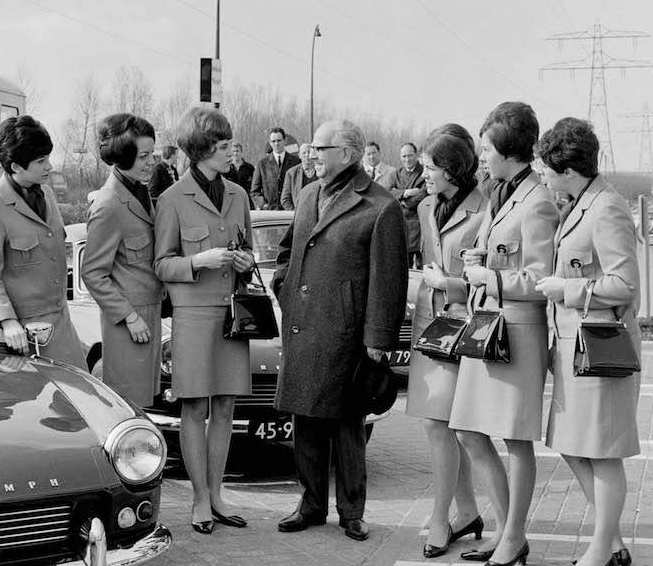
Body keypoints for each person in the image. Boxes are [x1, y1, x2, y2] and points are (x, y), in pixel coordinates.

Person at [273, 119, 408, 542]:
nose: (311, 154)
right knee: (306, 419)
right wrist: (285, 288)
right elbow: (287, 250)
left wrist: (377, 340)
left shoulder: (380, 205)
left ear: (346, 155)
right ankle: (311, 505)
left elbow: (389, 280)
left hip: (347, 333)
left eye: (319, 148)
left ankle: (352, 511)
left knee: (348, 424)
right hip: (304, 323)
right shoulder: (309, 193)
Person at [447, 102, 557, 566]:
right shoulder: (503, 192)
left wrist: (489, 277)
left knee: (515, 439)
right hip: (488, 326)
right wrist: (481, 255)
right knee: (467, 429)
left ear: (510, 153)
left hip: (516, 331)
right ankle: (507, 529)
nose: (482, 157)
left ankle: (512, 536)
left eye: (487, 148)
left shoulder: (537, 202)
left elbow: (540, 279)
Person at [535, 118, 641, 566]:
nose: (543, 176)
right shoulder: (583, 201)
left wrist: (567, 288)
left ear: (569, 170)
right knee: (576, 448)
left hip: (600, 350)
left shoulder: (606, 209)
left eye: (547, 168)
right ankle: (612, 543)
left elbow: (624, 285)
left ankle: (600, 553)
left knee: (602, 453)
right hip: (576, 349)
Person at [154, 107, 255, 534]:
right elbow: (161, 265)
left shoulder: (239, 194)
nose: (231, 151)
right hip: (193, 315)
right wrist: (199, 260)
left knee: (227, 404)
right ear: (202, 151)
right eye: (224, 145)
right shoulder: (172, 199)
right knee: (195, 406)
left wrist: (245, 260)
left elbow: (247, 253)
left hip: (232, 313)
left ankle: (217, 495)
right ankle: (198, 500)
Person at [405, 124, 487, 557]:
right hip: (428, 326)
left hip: (463, 326)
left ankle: (440, 520)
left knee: (445, 426)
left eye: (430, 168)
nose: (423, 177)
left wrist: (450, 283)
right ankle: (467, 511)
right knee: (439, 425)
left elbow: (486, 279)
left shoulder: (485, 210)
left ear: (452, 170)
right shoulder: (424, 208)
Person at [0, 115, 83, 363]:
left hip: (62, 328)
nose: (49, 166)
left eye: (48, 158)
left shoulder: (48, 195)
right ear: (15, 167)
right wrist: (7, 321)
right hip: (22, 338)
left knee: (80, 396)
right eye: (41, 161)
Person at [81, 113, 165, 406]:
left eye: (151, 153)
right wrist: (129, 316)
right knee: (125, 407)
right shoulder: (109, 204)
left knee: (142, 406)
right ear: (123, 155)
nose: (151, 161)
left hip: (149, 316)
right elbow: (92, 273)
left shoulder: (140, 192)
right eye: (143, 156)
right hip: (129, 323)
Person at [394, 143, 428, 268]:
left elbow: (424, 193)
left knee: (422, 264)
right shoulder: (396, 174)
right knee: (403, 266)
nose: (407, 160)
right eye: (404, 156)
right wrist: (405, 193)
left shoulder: (424, 172)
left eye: (410, 156)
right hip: (402, 225)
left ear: (416, 155)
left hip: (420, 223)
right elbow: (387, 192)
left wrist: (403, 202)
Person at [251, 127, 299, 210]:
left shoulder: (297, 162)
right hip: (270, 213)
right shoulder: (262, 164)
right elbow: (254, 192)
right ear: (270, 143)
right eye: (273, 141)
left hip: (291, 212)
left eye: (279, 140)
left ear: (285, 140)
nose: (276, 144)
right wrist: (264, 205)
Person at [282, 143, 318, 210]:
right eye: (304, 153)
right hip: (299, 213)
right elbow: (285, 199)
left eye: (309, 152)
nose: (307, 155)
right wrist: (294, 213)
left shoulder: (320, 170)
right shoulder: (291, 173)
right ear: (299, 155)